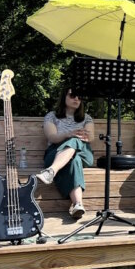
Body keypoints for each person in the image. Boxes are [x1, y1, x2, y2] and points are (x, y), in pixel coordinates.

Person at [36, 88, 94, 220]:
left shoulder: (87, 118)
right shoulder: (51, 116)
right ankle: (78, 204)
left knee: (74, 142)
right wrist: (69, 134)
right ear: (63, 97)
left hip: (83, 151)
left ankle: (51, 171)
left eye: (79, 96)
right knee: (74, 161)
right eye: (72, 95)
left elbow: (90, 138)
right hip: (55, 152)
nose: (77, 99)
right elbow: (52, 137)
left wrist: (79, 137)